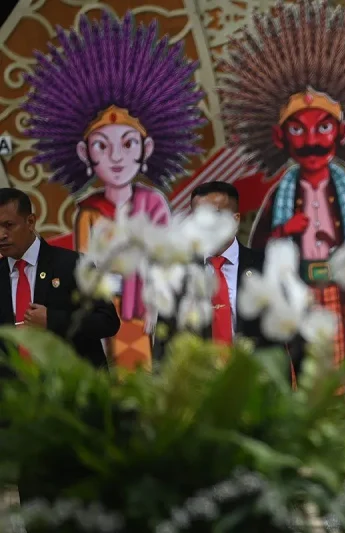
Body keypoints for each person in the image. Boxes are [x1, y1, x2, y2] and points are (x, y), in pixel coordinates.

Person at [219, 0, 345, 382]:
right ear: (280, 137)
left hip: (344, 290)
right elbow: (257, 251)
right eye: (298, 130)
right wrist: (286, 231)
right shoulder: (280, 194)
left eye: (322, 128)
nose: (311, 141)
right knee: (304, 371)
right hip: (297, 290)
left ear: (342, 133)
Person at [22, 11, 205, 371]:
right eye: (102, 146)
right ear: (84, 154)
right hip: (106, 313)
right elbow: (87, 272)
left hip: (148, 306)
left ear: (146, 149)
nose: (117, 157)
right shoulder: (88, 209)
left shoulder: (153, 203)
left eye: (127, 143)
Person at [152, 181, 296, 375]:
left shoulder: (265, 266)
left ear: (235, 220)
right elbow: (164, 344)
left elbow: (285, 340)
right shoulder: (179, 274)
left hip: (254, 384)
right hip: (196, 384)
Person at [0, 188, 120, 367]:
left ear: (30, 222)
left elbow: (108, 322)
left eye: (9, 225)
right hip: (16, 390)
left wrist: (53, 320)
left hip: (71, 385)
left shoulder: (74, 264)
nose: (1, 235)